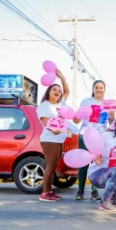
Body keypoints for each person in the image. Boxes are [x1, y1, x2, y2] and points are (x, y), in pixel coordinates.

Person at [74, 80, 116, 201]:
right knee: (83, 163)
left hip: (100, 137)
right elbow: (77, 118)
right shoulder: (86, 101)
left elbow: (111, 123)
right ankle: (80, 190)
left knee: (97, 163)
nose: (99, 90)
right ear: (93, 89)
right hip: (85, 134)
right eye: (96, 87)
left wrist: (112, 117)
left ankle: (94, 191)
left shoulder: (108, 105)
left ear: (104, 90)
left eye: (101, 88)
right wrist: (76, 118)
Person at [36, 69, 70, 202]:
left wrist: (62, 77)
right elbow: (45, 122)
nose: (57, 92)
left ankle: (49, 191)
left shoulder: (61, 104)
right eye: (54, 90)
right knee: (50, 166)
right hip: (49, 139)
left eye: (59, 90)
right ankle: (44, 193)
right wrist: (53, 130)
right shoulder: (45, 105)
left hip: (59, 139)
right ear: (48, 92)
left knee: (54, 166)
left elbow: (67, 92)